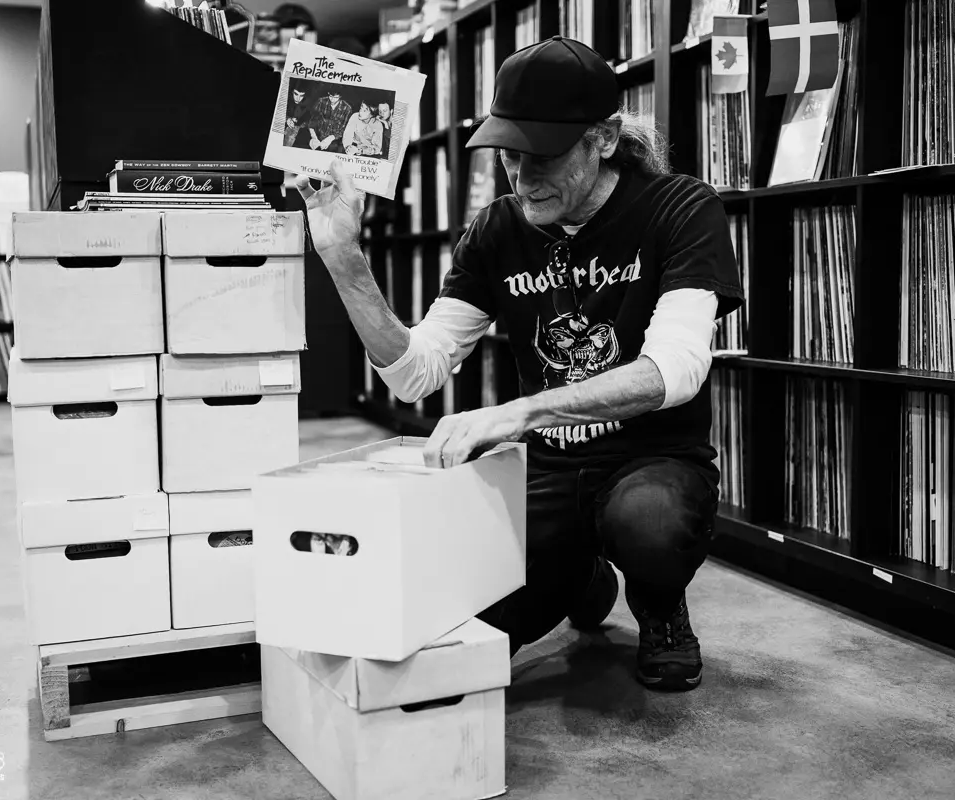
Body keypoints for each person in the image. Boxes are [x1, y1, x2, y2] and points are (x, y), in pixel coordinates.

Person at [295, 36, 744, 691]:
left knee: (646, 528)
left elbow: (674, 370)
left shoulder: (679, 208)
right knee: (480, 623)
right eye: (510, 156)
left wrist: (520, 411)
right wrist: (342, 256)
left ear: (606, 139)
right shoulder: (497, 230)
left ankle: (658, 599)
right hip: (550, 471)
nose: (524, 177)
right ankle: (580, 570)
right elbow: (415, 372)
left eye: (546, 156)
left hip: (654, 461)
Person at [307, 88, 352, 153]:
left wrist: (329, 139)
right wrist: (314, 137)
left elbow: (344, 129)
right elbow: (312, 121)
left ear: (340, 96)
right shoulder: (321, 101)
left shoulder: (347, 108)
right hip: (317, 135)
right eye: (330, 96)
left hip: (334, 140)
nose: (332, 99)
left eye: (336, 97)